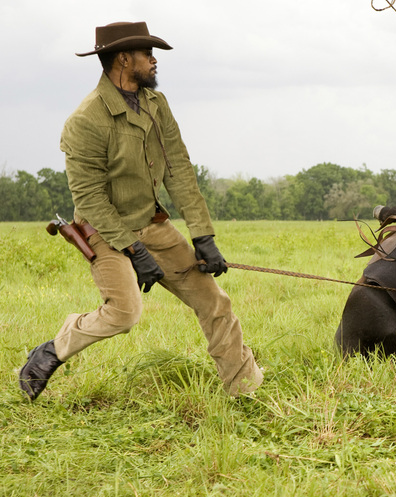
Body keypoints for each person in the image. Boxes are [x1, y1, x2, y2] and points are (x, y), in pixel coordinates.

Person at [19, 21, 263, 401]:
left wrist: (203, 235)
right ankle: (52, 349)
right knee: (124, 313)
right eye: (147, 54)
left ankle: (245, 390)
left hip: (154, 226)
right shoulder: (85, 120)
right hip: (106, 232)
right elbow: (89, 200)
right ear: (122, 59)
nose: (153, 61)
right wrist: (134, 250)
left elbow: (179, 168)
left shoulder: (156, 104)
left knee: (215, 302)